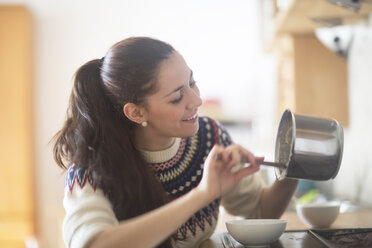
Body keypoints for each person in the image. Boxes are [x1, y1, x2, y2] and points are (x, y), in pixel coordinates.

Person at [53, 37, 298, 248]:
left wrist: (294, 168)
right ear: (137, 113)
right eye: (177, 97)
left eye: (192, 83)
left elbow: (260, 211)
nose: (196, 101)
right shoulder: (92, 169)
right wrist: (202, 195)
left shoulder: (209, 138)